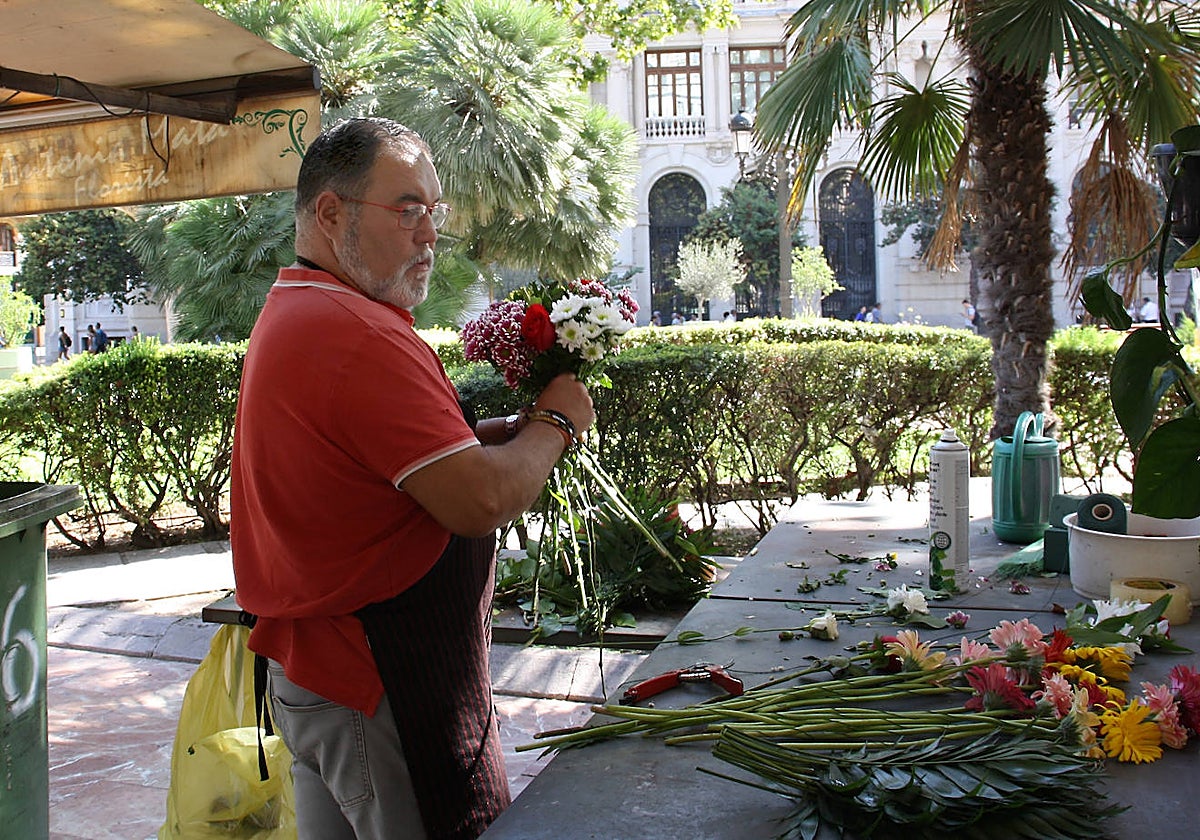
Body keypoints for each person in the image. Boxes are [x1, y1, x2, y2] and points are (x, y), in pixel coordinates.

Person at [230, 118, 594, 840]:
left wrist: (489, 439)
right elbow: (480, 500)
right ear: (331, 214)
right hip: (377, 682)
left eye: (436, 211)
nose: (430, 234)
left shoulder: (303, 308)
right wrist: (557, 422)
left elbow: (376, 471)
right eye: (408, 210)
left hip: (325, 680)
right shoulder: (354, 330)